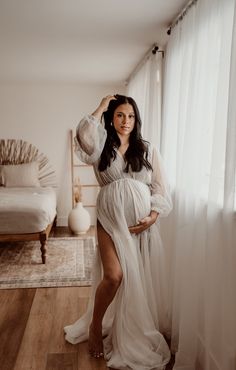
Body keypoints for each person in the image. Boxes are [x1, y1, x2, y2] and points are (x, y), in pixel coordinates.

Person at [64, 94, 173, 370]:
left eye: (131, 116)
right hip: (109, 219)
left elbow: (160, 187)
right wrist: (100, 106)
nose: (126, 121)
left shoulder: (147, 149)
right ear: (111, 119)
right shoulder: (100, 145)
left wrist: (153, 216)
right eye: (120, 115)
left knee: (137, 281)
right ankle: (95, 326)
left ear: (137, 120)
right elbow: (82, 135)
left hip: (139, 225)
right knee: (114, 276)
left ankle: (132, 329)